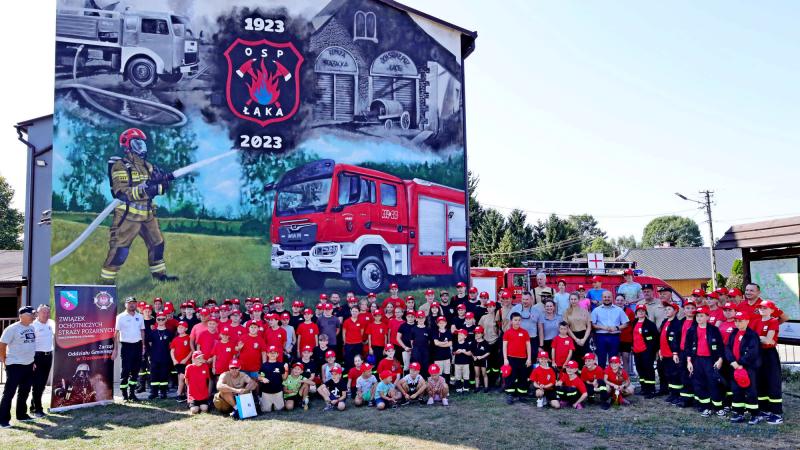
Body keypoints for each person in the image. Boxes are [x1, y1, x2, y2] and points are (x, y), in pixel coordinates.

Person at [101, 128, 178, 283]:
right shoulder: (120, 166)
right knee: (120, 251)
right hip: (128, 216)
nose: (141, 147)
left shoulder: (148, 166)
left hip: (148, 215)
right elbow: (121, 192)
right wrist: (147, 190)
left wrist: (162, 183)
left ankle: (160, 276)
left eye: (142, 143)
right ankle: (106, 282)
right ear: (127, 146)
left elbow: (159, 187)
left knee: (157, 244)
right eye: (137, 143)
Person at [0, 306, 37, 427]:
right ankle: (3, 419)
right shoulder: (12, 328)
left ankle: (21, 415)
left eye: (33, 314)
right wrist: (4, 360)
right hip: (14, 365)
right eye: (31, 314)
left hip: (29, 365)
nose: (33, 317)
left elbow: (31, 345)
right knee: (9, 393)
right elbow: (2, 345)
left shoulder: (32, 327)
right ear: (22, 316)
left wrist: (32, 361)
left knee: (24, 391)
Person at [685, 306, 725, 417]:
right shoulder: (691, 330)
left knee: (713, 383)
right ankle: (705, 407)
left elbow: (721, 346)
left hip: (711, 360)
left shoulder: (714, 330)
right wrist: (689, 361)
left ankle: (718, 407)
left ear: (707, 317)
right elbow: (687, 347)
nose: (699, 318)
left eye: (702, 316)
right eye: (697, 316)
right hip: (697, 360)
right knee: (699, 384)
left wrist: (720, 359)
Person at [725, 311, 760, 423]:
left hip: (747, 367)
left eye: (740, 321)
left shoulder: (752, 335)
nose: (737, 323)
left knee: (750, 391)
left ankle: (754, 415)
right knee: (736, 390)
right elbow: (727, 348)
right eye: (736, 321)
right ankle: (738, 413)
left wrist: (740, 363)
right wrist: (732, 361)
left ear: (747, 321)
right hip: (734, 366)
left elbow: (753, 352)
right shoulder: (734, 332)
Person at [751, 301, 783, 424]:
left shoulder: (773, 321)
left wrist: (758, 338)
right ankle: (764, 409)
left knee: (773, 382)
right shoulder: (756, 321)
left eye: (765, 308)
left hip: (769, 354)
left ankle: (777, 413)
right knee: (760, 381)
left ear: (772, 310)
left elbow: (768, 340)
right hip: (758, 353)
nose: (762, 309)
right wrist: (761, 338)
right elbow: (751, 337)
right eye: (760, 307)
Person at [113, 297, 145, 401]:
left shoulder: (140, 316)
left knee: (135, 371)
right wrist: (115, 349)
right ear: (125, 305)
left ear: (136, 304)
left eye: (134, 303)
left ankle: (132, 394)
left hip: (138, 346)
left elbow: (142, 331)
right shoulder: (120, 317)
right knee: (125, 371)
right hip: (126, 346)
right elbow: (116, 333)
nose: (132, 305)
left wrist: (143, 345)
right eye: (129, 303)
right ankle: (124, 395)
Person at [590, 290, 629, 368]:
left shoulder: (619, 310)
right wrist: (602, 327)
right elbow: (592, 324)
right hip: (601, 337)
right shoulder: (596, 310)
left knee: (613, 359)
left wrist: (617, 327)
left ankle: (612, 375)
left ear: (612, 298)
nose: (607, 298)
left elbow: (626, 323)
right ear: (602, 298)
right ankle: (601, 375)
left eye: (609, 297)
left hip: (614, 337)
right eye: (605, 297)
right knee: (601, 359)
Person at [29, 304, 54, 418]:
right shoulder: (33, 325)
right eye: (43, 312)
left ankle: (33, 406)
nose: (46, 314)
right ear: (38, 313)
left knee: (42, 384)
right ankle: (37, 409)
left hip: (48, 356)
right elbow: (30, 344)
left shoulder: (51, 323)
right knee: (37, 384)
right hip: (37, 357)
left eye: (48, 312)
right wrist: (32, 360)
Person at [657, 302, 683, 404]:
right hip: (664, 353)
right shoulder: (665, 321)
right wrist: (660, 349)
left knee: (675, 374)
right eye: (666, 309)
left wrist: (675, 353)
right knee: (668, 374)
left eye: (669, 309)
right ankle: (672, 393)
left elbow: (677, 340)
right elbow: (661, 336)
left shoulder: (677, 324)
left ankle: (677, 394)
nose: (667, 311)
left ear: (675, 311)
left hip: (673, 354)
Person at [503, 312, 531, 404]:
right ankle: (510, 395)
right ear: (511, 321)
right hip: (511, 358)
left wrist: (529, 358)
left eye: (519, 320)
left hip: (523, 359)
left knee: (522, 377)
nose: (517, 322)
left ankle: (521, 395)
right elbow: (504, 347)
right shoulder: (507, 333)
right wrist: (505, 359)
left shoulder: (525, 332)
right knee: (511, 377)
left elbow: (528, 346)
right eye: (515, 320)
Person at [631, 304, 659, 398]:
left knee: (648, 370)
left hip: (647, 351)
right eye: (639, 311)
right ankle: (644, 388)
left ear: (645, 312)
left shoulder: (650, 324)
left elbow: (655, 338)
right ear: (636, 313)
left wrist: (652, 350)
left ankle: (651, 390)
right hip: (636, 350)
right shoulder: (634, 322)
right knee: (640, 369)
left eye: (643, 311)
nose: (641, 312)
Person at [146, 312, 174, 399]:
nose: (161, 320)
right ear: (156, 320)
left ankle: (163, 392)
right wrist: (150, 355)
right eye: (159, 319)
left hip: (166, 358)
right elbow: (149, 344)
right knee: (154, 375)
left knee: (164, 375)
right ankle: (154, 392)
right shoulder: (152, 332)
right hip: (154, 358)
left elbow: (172, 345)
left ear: (166, 319)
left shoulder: (169, 332)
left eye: (163, 319)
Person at [477, 301, 501, 386]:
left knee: (495, 362)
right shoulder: (483, 317)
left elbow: (499, 329)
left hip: (494, 342)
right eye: (488, 307)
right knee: (486, 363)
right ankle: (488, 381)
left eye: (491, 306)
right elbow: (479, 329)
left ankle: (495, 380)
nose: (489, 308)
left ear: (494, 307)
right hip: (486, 342)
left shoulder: (497, 317)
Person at [510, 292, 541, 357]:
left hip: (532, 339)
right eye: (523, 299)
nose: (524, 301)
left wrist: (541, 345)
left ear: (531, 299)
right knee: (520, 357)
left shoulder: (537, 310)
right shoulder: (515, 308)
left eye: (527, 299)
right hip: (518, 339)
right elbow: (510, 324)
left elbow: (540, 329)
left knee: (532, 358)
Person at [258, 346, 287, 413]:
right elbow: (259, 377)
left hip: (278, 392)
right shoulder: (264, 365)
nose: (272, 354)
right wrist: (263, 378)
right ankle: (261, 401)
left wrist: (286, 370)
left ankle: (282, 401)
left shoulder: (280, 365)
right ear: (267, 354)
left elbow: (284, 378)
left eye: (274, 353)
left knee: (280, 409)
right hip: (266, 392)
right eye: (270, 353)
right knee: (265, 410)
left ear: (277, 354)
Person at [563, 294, 591, 363]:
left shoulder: (585, 311)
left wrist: (584, 339)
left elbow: (589, 327)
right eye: (571, 299)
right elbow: (567, 327)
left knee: (585, 357)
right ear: (569, 300)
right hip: (572, 336)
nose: (573, 301)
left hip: (584, 336)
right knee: (574, 358)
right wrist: (576, 339)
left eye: (575, 299)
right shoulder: (566, 312)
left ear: (578, 300)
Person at [170, 321, 192, 402]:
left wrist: (186, 359)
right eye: (178, 327)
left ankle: (179, 394)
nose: (180, 329)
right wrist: (174, 360)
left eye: (182, 327)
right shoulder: (175, 339)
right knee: (180, 377)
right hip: (177, 363)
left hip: (186, 362)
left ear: (186, 329)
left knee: (182, 378)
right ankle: (183, 394)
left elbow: (191, 350)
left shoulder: (189, 338)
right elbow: (172, 350)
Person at [342, 305, 365, 371]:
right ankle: (349, 373)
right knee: (349, 360)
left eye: (356, 311)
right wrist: (345, 342)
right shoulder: (346, 321)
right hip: (349, 344)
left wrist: (357, 338)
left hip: (358, 344)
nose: (354, 313)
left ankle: (358, 372)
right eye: (353, 311)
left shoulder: (361, 321)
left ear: (359, 312)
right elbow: (344, 333)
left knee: (358, 360)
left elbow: (361, 332)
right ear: (350, 311)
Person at [432, 317, 453, 384]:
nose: (441, 324)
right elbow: (436, 343)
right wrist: (445, 343)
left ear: (446, 323)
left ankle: (447, 386)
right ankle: (439, 386)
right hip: (438, 357)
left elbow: (450, 343)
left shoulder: (448, 332)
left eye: (443, 323)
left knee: (447, 372)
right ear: (437, 324)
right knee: (439, 373)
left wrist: (440, 343)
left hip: (447, 356)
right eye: (440, 323)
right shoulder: (435, 332)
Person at [452, 329, 473, 393]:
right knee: (458, 376)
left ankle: (466, 388)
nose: (459, 336)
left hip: (465, 363)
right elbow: (453, 352)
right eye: (458, 334)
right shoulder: (456, 344)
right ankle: (459, 388)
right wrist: (456, 352)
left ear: (465, 336)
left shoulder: (467, 344)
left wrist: (463, 352)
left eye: (461, 335)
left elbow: (470, 353)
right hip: (457, 363)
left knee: (466, 376)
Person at [472, 326, 490, 393]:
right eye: (476, 333)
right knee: (477, 374)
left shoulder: (485, 342)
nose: (477, 334)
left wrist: (482, 356)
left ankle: (486, 387)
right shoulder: (474, 342)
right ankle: (477, 387)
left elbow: (488, 352)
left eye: (479, 333)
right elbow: (471, 351)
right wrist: (473, 356)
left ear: (482, 334)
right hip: (476, 360)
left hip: (483, 360)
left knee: (484, 374)